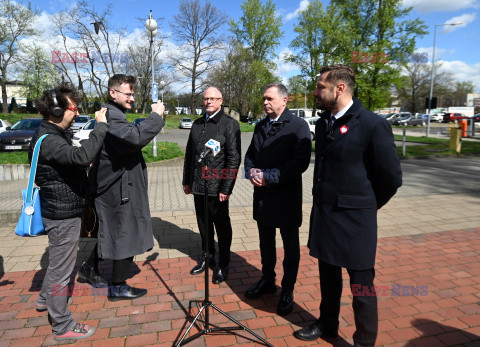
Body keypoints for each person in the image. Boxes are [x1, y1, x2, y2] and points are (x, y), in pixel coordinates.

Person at [293, 64, 402, 346]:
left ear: (339, 88)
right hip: (326, 216)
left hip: (356, 222)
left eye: (320, 87)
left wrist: (366, 206)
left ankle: (364, 341)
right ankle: (327, 323)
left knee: (362, 287)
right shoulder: (323, 121)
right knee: (328, 278)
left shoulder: (372, 125)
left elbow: (391, 178)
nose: (315, 91)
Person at [31, 83, 109, 341]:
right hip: (62, 215)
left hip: (61, 209)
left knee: (57, 264)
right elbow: (81, 157)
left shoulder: (52, 133)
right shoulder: (50, 140)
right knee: (62, 272)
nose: (76, 114)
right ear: (57, 110)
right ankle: (62, 324)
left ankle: (44, 300)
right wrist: (101, 126)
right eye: (74, 109)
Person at [79, 74, 165, 300]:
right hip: (118, 190)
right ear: (113, 93)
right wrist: (155, 117)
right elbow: (135, 138)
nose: (132, 98)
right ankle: (117, 287)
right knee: (125, 234)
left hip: (119, 187)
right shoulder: (113, 117)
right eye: (128, 94)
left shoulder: (114, 115)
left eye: (133, 94)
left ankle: (89, 269)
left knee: (115, 232)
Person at [244, 83, 311, 316]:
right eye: (263, 98)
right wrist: (250, 171)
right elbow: (251, 154)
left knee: (290, 247)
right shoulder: (261, 125)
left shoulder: (298, 126)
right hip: (263, 197)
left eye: (269, 98)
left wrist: (269, 177)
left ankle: (288, 289)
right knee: (266, 243)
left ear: (285, 100)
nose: (265, 102)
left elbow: (300, 162)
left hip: (286, 197)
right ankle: (268, 280)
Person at [183, 87, 241, 284]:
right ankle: (207, 257)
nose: (208, 102)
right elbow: (190, 155)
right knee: (203, 224)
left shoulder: (229, 125)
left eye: (213, 98)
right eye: (206, 98)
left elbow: (233, 159)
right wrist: (186, 180)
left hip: (218, 188)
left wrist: (227, 188)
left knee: (222, 226)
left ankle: (223, 263)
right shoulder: (197, 124)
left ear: (220, 101)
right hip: (199, 186)